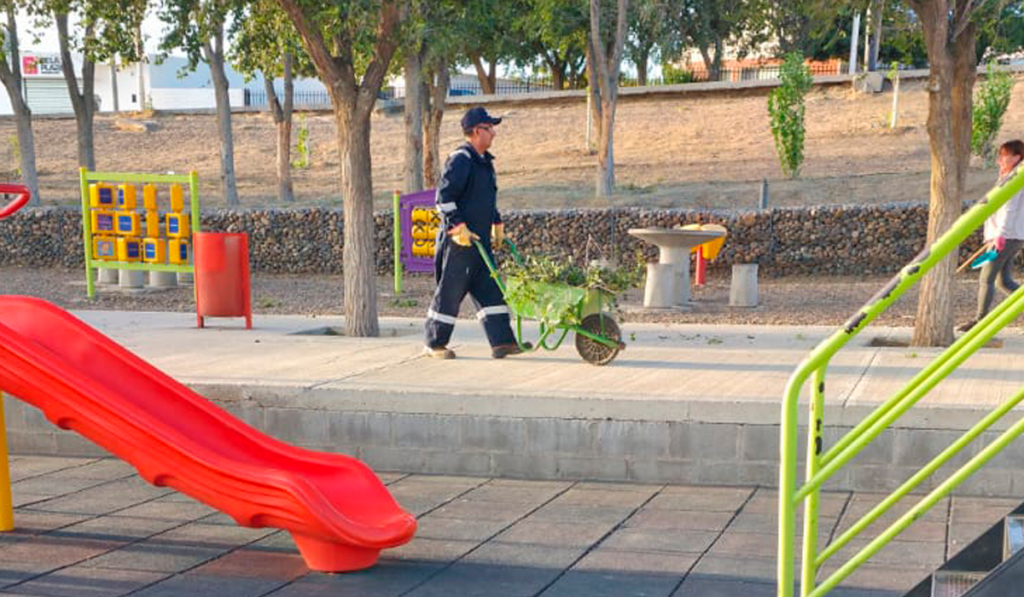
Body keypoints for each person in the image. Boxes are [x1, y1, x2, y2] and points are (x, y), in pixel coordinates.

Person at [423, 106, 526, 359]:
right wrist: (457, 226)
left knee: (490, 291)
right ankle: (434, 344)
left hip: (480, 242)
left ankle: (502, 342)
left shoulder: (484, 163)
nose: (494, 134)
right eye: (490, 129)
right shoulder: (462, 159)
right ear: (477, 131)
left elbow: (485, 200)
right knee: (450, 293)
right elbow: (443, 198)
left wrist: (496, 223)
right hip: (459, 243)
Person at [958, 139, 1024, 333]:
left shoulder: (1015, 179)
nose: (1000, 160)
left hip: (1006, 237)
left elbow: (1009, 209)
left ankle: (979, 321)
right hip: (1007, 235)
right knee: (1003, 281)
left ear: (1017, 157)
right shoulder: (1008, 176)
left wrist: (1000, 236)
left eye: (1005, 156)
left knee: (986, 278)